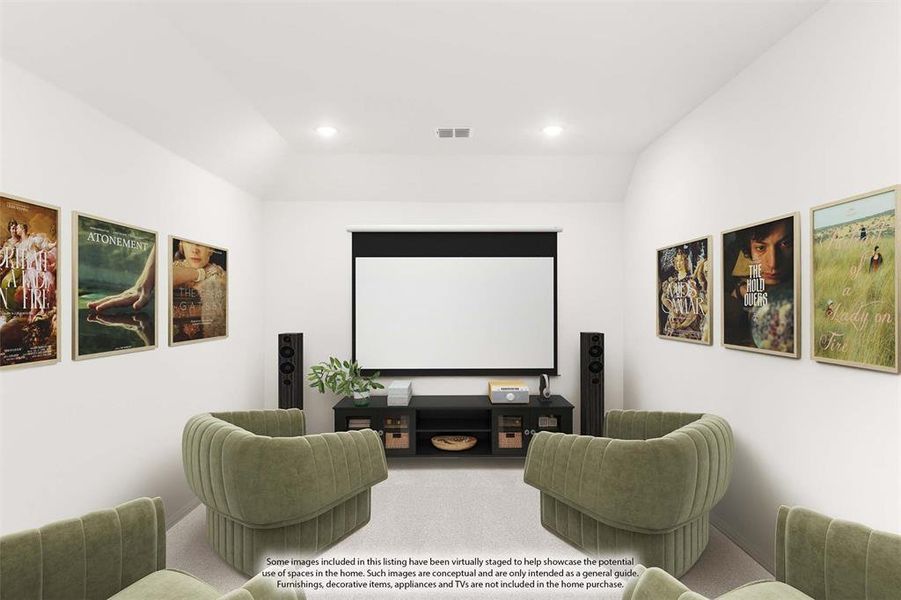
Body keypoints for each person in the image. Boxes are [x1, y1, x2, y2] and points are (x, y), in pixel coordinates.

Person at [724, 217, 794, 352]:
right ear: (749, 249)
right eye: (761, 248)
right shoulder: (731, 263)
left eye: (785, 244)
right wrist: (739, 292)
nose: (773, 263)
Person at [172, 240, 227, 340]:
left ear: (210, 250)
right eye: (189, 243)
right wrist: (200, 273)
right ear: (182, 246)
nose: (195, 250)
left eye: (201, 244)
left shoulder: (219, 275)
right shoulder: (174, 267)